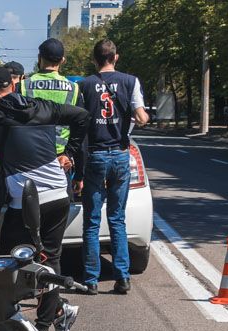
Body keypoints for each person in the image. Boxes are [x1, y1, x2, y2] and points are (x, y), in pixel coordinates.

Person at [0, 65, 90, 331]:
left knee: (12, 255)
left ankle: (35, 319)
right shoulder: (42, 106)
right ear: (14, 84)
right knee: (50, 257)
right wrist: (68, 153)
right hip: (58, 196)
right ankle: (51, 318)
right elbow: (83, 117)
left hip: (26, 202)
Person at [77, 39, 148, 295]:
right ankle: (122, 277)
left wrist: (77, 168)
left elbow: (79, 125)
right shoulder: (131, 81)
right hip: (120, 155)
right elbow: (141, 116)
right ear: (115, 57)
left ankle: (91, 280)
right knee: (117, 219)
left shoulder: (83, 85)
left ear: (94, 59)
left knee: (92, 221)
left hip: (95, 156)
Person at [19, 39, 80, 158]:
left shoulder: (23, 85)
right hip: (60, 156)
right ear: (62, 60)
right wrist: (69, 156)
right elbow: (79, 125)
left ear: (39, 57)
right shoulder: (74, 88)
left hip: (30, 153)